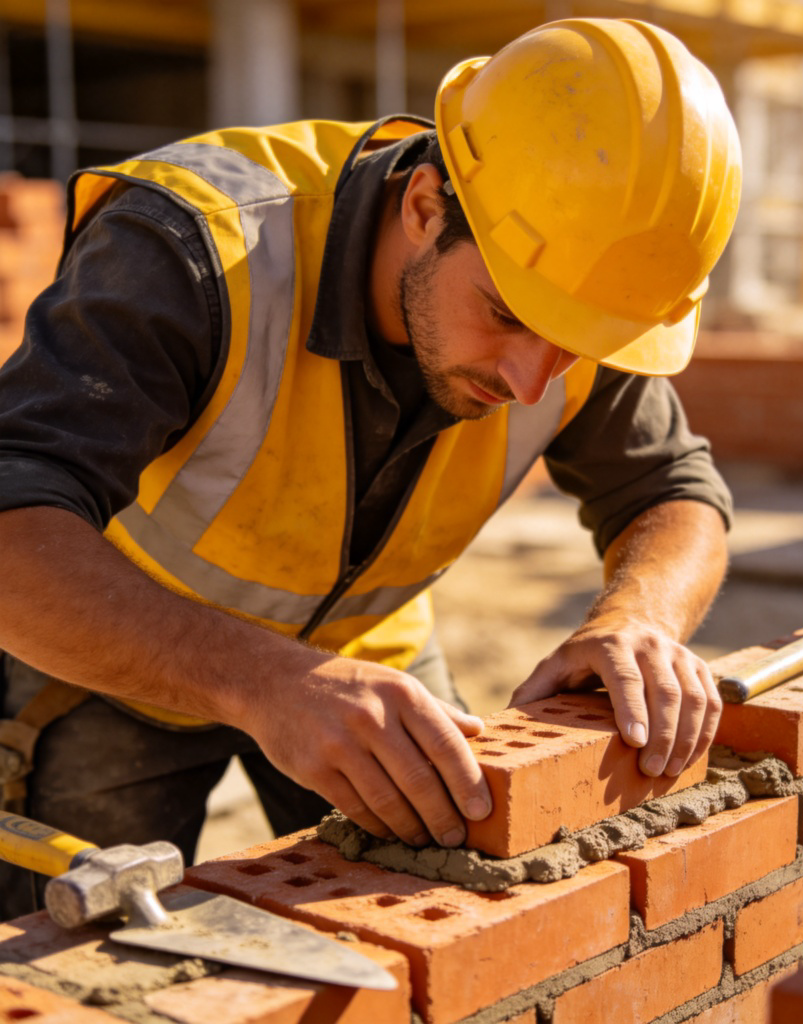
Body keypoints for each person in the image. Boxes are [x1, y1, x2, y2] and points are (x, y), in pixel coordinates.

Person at [0, 17, 741, 918]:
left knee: (454, 921)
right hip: (117, 651)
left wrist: (640, 617)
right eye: (506, 314)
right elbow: (12, 521)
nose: (532, 379)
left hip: (369, 655)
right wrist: (265, 682)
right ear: (425, 205)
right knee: (78, 952)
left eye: (576, 345)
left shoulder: (579, 298)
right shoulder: (197, 246)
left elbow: (673, 491)